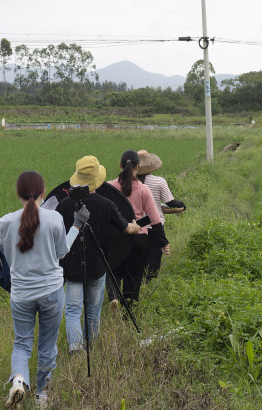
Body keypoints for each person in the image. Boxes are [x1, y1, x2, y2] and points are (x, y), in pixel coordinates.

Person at [0, 171, 89, 408]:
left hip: (21, 294)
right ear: (44, 193)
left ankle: (19, 381)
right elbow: (62, 251)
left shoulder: (7, 221)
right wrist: (77, 226)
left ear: (18, 194)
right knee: (47, 346)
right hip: (51, 291)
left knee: (22, 343)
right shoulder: (53, 219)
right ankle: (42, 395)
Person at [55, 156, 141, 354]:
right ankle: (91, 349)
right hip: (98, 266)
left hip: (71, 267)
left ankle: (76, 350)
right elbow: (126, 228)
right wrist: (136, 227)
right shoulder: (106, 204)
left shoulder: (65, 205)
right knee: (93, 311)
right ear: (97, 179)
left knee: (73, 310)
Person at [95, 150, 166, 305]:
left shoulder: (108, 188)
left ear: (120, 165)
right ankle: (129, 311)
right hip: (139, 239)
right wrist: (163, 241)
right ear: (137, 168)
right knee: (133, 277)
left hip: (115, 237)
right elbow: (154, 219)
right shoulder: (142, 189)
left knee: (112, 271)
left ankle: (114, 297)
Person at [136, 150, 176, 280]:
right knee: (154, 257)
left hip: (135, 226)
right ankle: (149, 283)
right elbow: (170, 202)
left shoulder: (128, 183)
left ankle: (138, 281)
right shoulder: (159, 181)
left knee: (139, 256)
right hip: (155, 225)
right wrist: (182, 205)